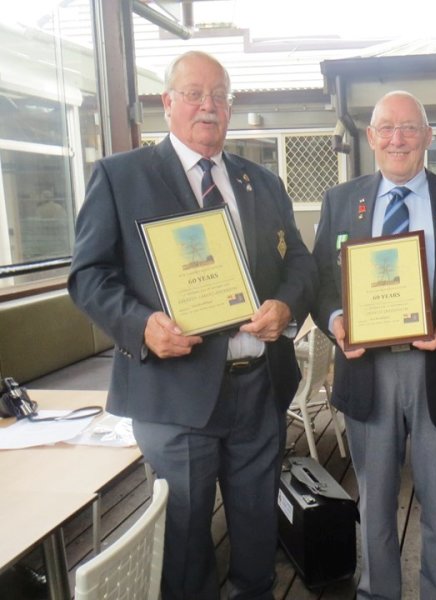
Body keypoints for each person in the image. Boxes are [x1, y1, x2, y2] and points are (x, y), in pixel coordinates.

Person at [69, 51, 316, 600]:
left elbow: (300, 262)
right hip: (172, 388)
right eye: (195, 93)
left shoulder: (262, 182)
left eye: (220, 95)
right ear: (168, 102)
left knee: (255, 528)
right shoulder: (119, 176)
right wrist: (140, 325)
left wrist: (284, 305)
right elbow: (88, 277)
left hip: (259, 384)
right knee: (182, 538)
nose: (209, 106)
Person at [312, 90, 436, 599]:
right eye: (386, 128)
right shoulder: (340, 201)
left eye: (408, 127)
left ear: (427, 135)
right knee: (374, 501)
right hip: (365, 370)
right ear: (371, 137)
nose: (397, 138)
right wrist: (336, 319)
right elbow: (319, 284)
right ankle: (378, 593)